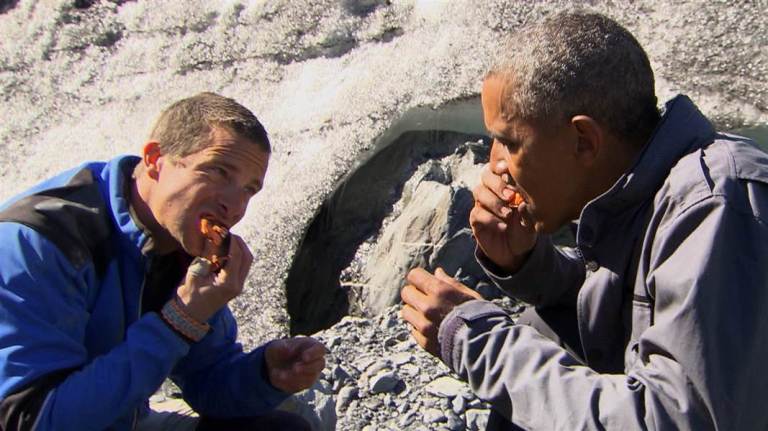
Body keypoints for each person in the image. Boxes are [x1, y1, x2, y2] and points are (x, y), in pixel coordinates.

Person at [401, 12, 768, 430]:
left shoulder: (716, 206)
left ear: (584, 141)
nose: (495, 164)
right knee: (545, 326)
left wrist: (477, 343)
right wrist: (528, 264)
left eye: (509, 142)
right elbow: (620, 306)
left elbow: (677, 419)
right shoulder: (641, 189)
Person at [0, 92, 326, 430]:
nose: (234, 206)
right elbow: (32, 419)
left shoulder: (179, 239)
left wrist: (265, 374)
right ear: (155, 159)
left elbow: (206, 379)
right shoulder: (39, 243)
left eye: (249, 189)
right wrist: (179, 321)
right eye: (218, 171)